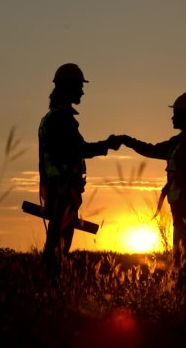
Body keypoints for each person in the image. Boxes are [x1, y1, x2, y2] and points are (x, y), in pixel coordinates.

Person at [39, 63, 121, 275]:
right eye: (78, 87)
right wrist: (107, 145)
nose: (82, 91)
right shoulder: (61, 118)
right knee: (59, 245)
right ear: (67, 87)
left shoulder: (50, 118)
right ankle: (51, 287)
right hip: (64, 189)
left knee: (56, 242)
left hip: (56, 188)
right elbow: (77, 149)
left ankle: (50, 284)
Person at [120, 92, 186, 284]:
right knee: (182, 254)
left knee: (185, 257)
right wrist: (128, 141)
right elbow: (152, 149)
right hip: (180, 206)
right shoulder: (181, 141)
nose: (172, 117)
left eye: (176, 113)